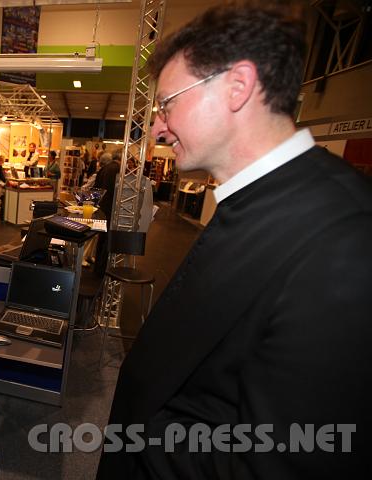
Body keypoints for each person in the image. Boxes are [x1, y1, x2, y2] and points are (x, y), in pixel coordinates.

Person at [97, 4, 372, 478]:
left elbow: (283, 459)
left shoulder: (347, 241)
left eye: (167, 103)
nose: (158, 126)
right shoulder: (263, 199)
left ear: (237, 86)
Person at [92, 151, 119, 276]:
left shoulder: (103, 169)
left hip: (101, 208)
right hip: (110, 210)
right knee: (106, 241)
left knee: (101, 239)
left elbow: (96, 189)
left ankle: (97, 269)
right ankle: (102, 270)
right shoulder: (117, 170)